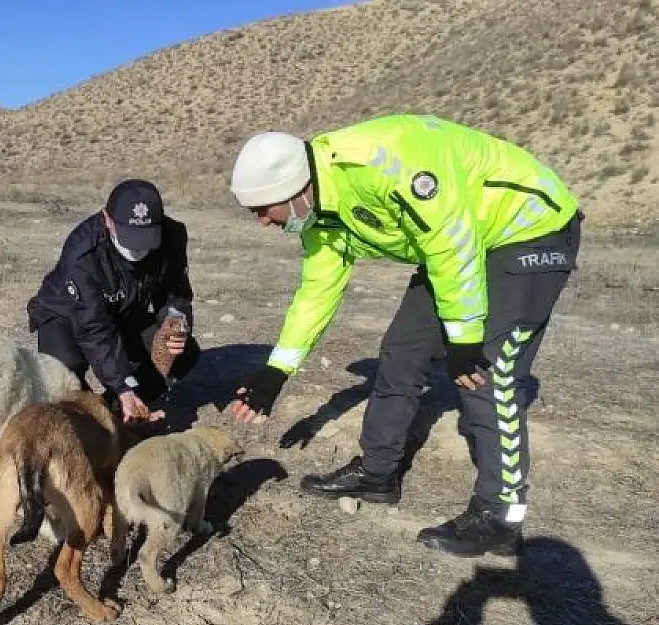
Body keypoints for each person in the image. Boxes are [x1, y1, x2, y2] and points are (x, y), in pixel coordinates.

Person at [224, 113, 583, 558]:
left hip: (528, 228)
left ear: (293, 189)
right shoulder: (317, 211)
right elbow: (318, 289)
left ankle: (500, 516)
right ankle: (378, 474)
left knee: (487, 369)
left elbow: (452, 240)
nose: (261, 221)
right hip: (459, 242)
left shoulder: (382, 163)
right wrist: (276, 371)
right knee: (402, 350)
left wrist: (465, 338)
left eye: (263, 209)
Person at [27, 178, 201, 424]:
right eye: (131, 237)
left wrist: (176, 319)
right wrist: (122, 384)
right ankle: (84, 419)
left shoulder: (171, 237)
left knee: (183, 354)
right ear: (108, 220)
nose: (139, 249)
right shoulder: (84, 252)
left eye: (147, 238)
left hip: (124, 311)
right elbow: (94, 327)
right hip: (66, 313)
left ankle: (118, 412)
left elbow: (175, 291)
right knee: (63, 374)